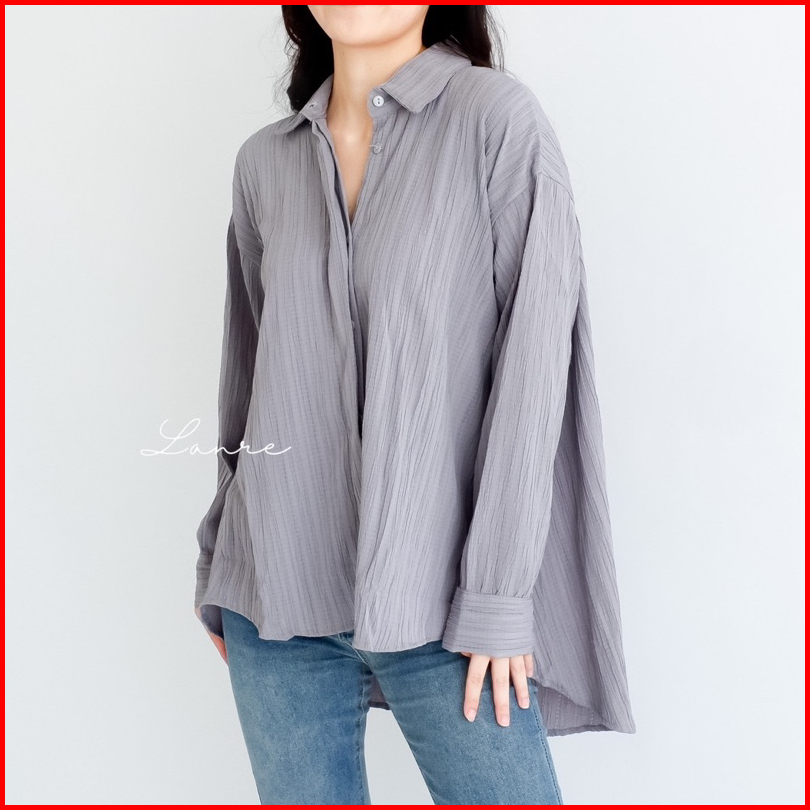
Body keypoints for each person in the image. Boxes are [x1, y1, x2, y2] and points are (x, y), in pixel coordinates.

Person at [194, 5, 636, 805]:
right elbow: (249, 375)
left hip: (447, 601)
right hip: (274, 601)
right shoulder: (264, 162)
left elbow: (535, 372)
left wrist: (498, 595)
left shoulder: (496, 122)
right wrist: (220, 561)